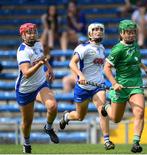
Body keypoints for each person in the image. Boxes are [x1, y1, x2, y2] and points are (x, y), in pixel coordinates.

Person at [59, 23, 115, 150]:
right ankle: (67, 116)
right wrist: (80, 76)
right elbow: (72, 64)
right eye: (95, 30)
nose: (98, 31)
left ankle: (107, 141)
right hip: (83, 88)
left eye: (101, 29)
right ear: (90, 33)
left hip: (98, 86)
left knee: (102, 109)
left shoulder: (102, 48)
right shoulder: (82, 47)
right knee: (80, 116)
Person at [101, 19, 147, 153]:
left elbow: (136, 59)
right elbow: (106, 68)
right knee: (115, 119)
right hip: (121, 87)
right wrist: (114, 84)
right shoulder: (118, 49)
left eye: (133, 32)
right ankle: (106, 106)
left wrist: (144, 67)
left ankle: (136, 143)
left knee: (140, 112)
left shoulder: (135, 45)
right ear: (122, 33)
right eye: (128, 33)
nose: (131, 35)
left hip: (136, 84)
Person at [15, 23, 59, 153]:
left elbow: (42, 58)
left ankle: (48, 128)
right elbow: (27, 73)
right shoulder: (22, 51)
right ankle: (26, 143)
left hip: (40, 84)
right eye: (29, 32)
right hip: (25, 89)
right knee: (27, 122)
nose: (33, 34)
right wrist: (40, 64)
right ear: (23, 35)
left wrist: (48, 68)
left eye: (34, 31)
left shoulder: (38, 44)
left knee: (52, 106)